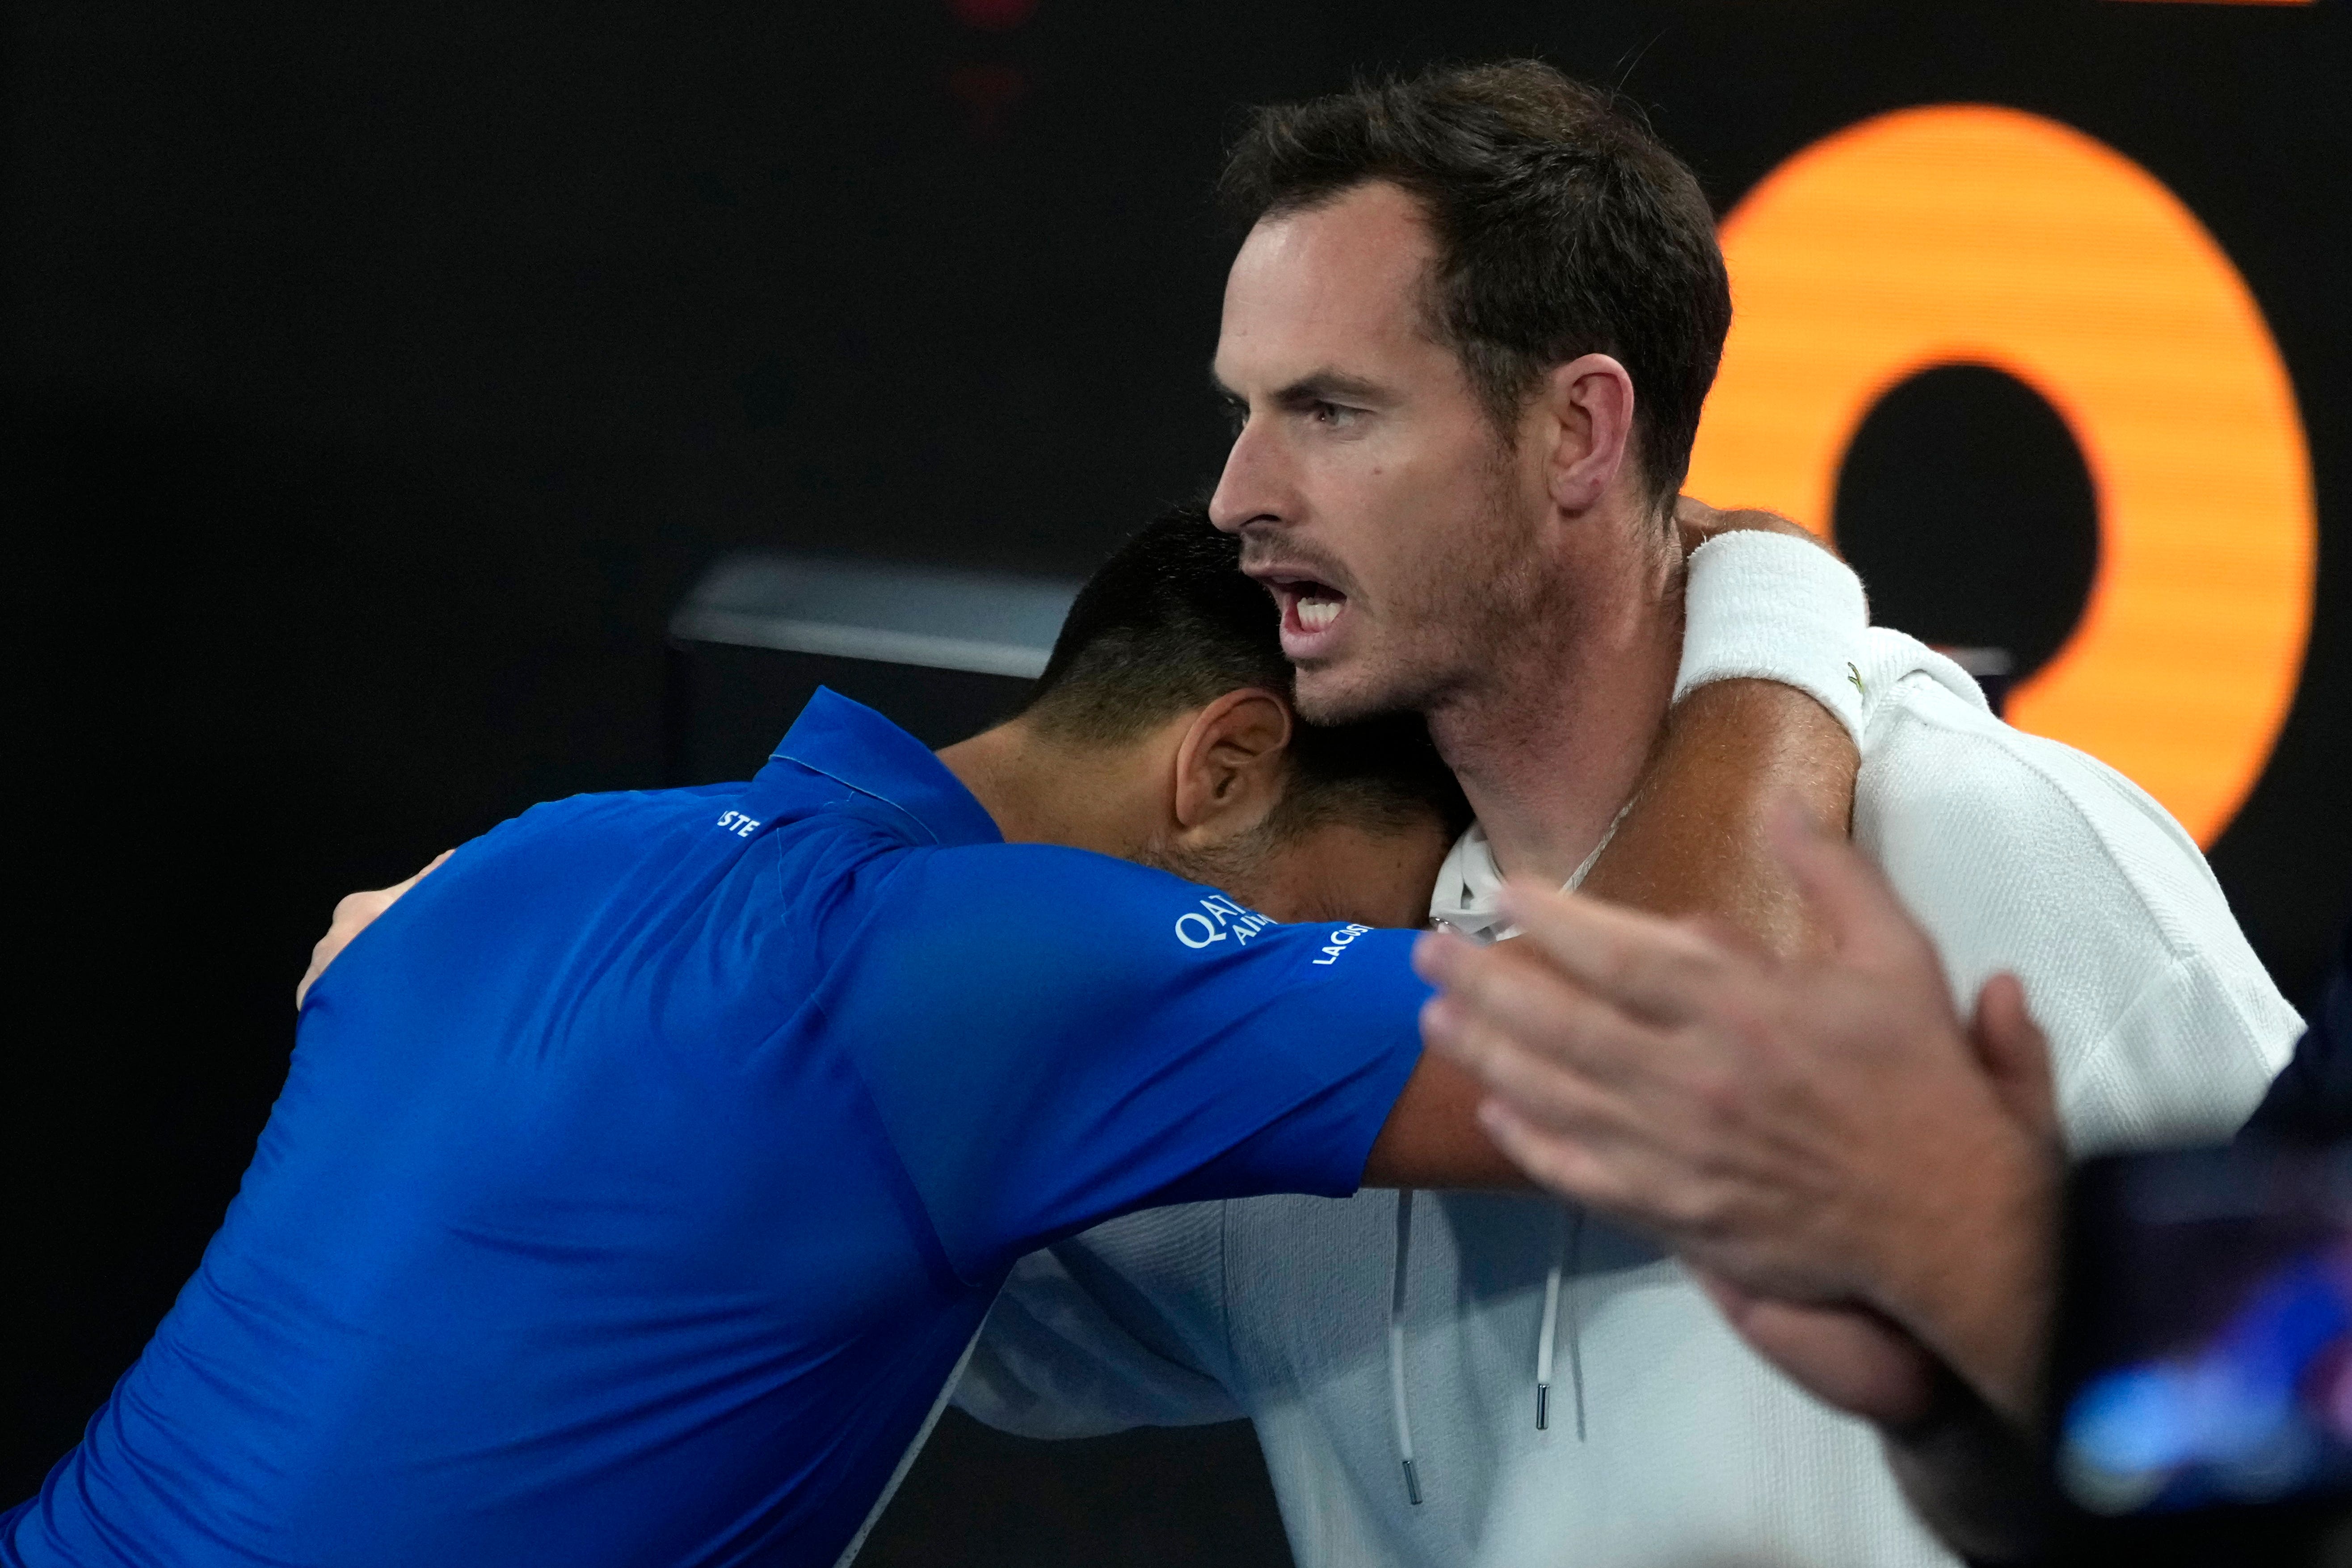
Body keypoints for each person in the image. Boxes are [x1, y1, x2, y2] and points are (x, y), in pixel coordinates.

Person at [952, 59, 2301, 1568]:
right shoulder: (1307, 945)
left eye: (1329, 410)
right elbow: (1004, 1333)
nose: (1235, 493)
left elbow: (2303, 1400)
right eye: (1244, 412)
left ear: (1580, 432)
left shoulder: (2001, 847)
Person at [0, 505, 1851, 1568]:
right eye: (1362, 924)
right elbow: (1690, 1029)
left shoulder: (530, 855)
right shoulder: (1006, 961)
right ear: (1220, 767)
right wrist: (1778, 601)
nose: (1352, 973)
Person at [1417, 833, 2352, 1561]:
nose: (1258, 571)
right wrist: (1954, 1398)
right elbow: (2233, 1477)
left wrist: (1968, 1238)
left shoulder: (2024, 828)